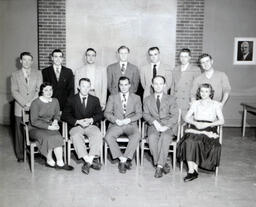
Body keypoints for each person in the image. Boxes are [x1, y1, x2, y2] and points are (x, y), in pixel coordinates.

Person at [177, 83, 224, 182]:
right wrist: (195, 123)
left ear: (210, 93)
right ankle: (191, 171)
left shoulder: (215, 104)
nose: (204, 93)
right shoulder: (195, 103)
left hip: (209, 128)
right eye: (202, 91)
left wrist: (207, 125)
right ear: (199, 92)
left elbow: (221, 120)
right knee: (189, 141)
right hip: (195, 127)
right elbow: (186, 117)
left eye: (206, 91)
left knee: (198, 142)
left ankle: (195, 170)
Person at [61, 78, 104, 175]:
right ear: (79, 87)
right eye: (83, 86)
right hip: (76, 126)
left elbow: (100, 115)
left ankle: (88, 161)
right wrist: (77, 121)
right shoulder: (71, 99)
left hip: (90, 125)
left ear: (90, 88)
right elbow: (65, 115)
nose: (85, 89)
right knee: (76, 136)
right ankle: (88, 160)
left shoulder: (95, 99)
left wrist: (91, 120)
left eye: (88, 86)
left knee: (97, 134)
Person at [29, 82, 73, 170]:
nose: (48, 92)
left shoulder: (55, 101)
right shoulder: (35, 103)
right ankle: (49, 161)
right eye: (46, 90)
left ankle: (60, 162)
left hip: (50, 126)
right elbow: (34, 121)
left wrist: (55, 122)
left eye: (50, 90)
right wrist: (49, 127)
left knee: (57, 136)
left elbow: (57, 115)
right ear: (41, 91)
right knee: (48, 137)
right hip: (35, 128)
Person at [104, 76, 142, 174]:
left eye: (126, 85)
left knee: (137, 135)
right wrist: (116, 120)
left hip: (130, 125)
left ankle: (123, 160)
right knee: (108, 136)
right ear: (119, 86)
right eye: (121, 85)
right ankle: (122, 159)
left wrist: (129, 120)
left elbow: (139, 114)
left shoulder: (136, 98)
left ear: (129, 85)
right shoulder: (112, 97)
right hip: (116, 124)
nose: (124, 87)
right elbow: (107, 113)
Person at [143, 75, 178, 178]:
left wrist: (166, 126)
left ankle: (159, 166)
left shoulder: (171, 99)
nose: (158, 86)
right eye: (156, 84)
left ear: (164, 85)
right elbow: (145, 114)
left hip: (168, 126)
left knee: (165, 137)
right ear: (152, 85)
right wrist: (154, 122)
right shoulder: (147, 99)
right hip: (153, 125)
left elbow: (175, 115)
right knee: (152, 138)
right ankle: (162, 163)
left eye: (161, 84)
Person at [11, 52, 42, 162]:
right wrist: (25, 103)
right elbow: (14, 91)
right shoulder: (15, 75)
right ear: (20, 61)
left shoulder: (38, 73)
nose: (27, 62)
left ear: (32, 61)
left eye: (29, 60)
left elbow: (39, 90)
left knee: (35, 129)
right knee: (19, 133)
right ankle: (20, 155)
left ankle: (37, 152)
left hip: (34, 107)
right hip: (20, 107)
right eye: (24, 60)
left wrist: (31, 103)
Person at [172, 48, 201, 118]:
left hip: (188, 101)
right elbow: (173, 86)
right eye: (181, 56)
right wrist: (171, 100)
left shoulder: (195, 69)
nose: (183, 59)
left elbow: (198, 87)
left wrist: (194, 101)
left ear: (189, 58)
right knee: (175, 123)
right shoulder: (175, 69)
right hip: (176, 100)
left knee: (186, 122)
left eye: (185, 56)